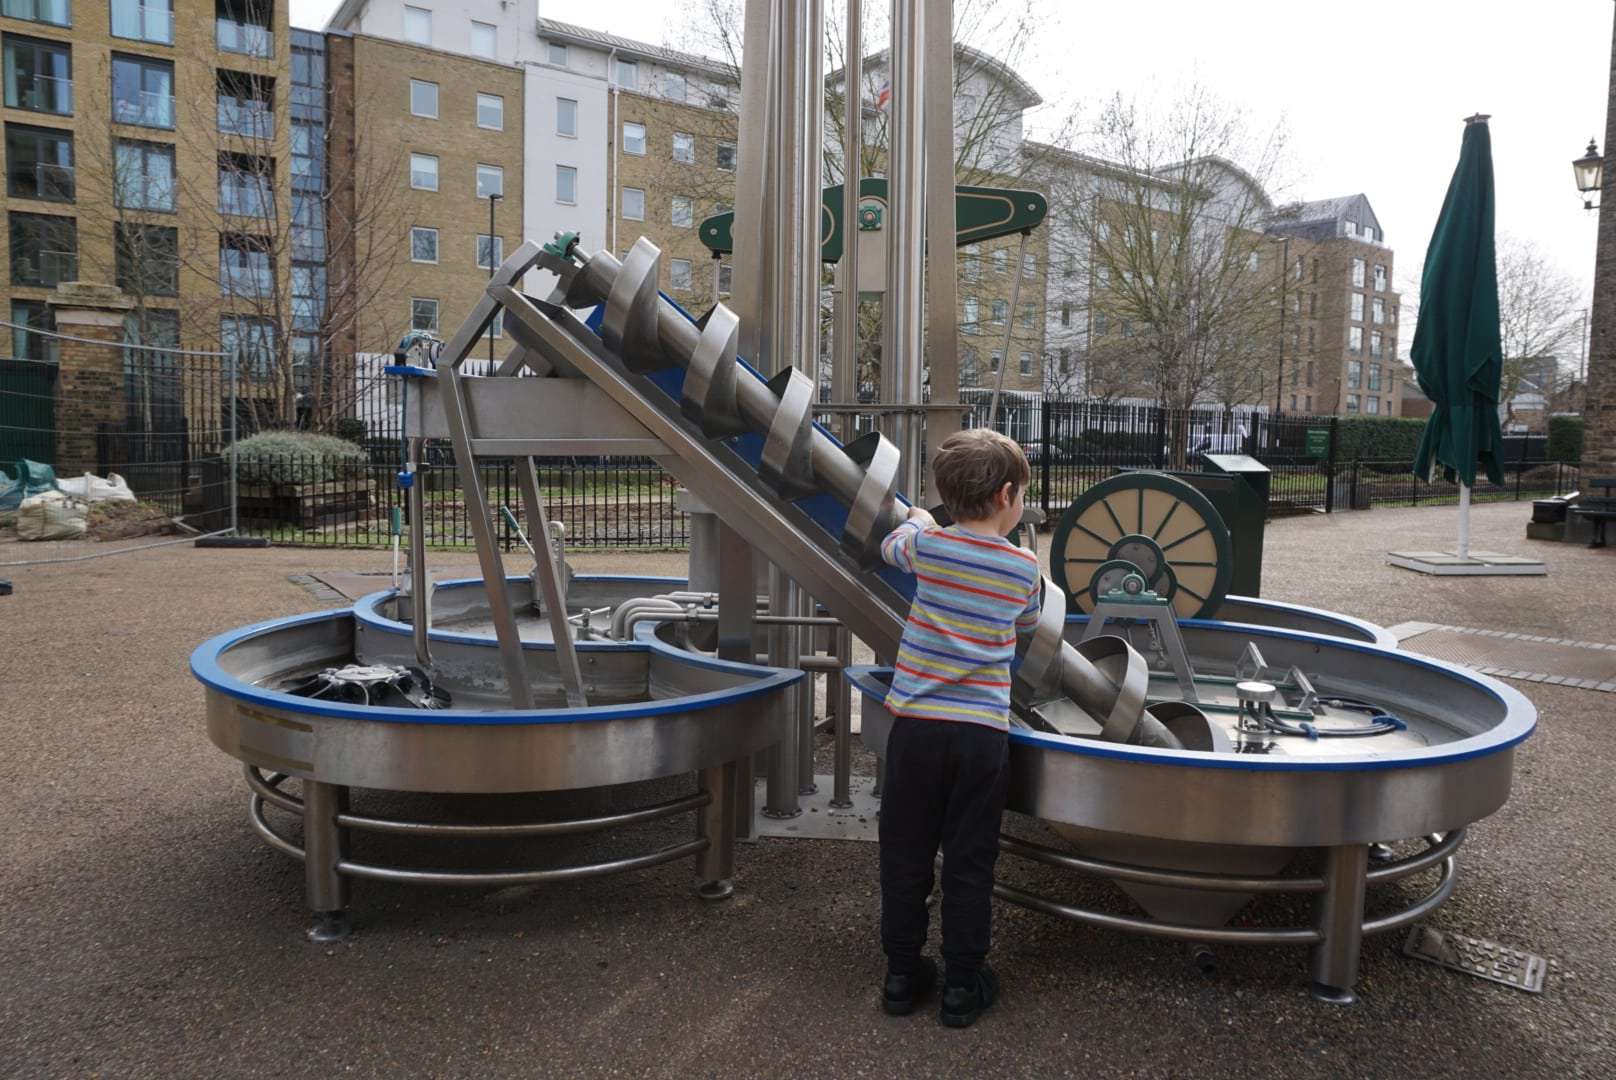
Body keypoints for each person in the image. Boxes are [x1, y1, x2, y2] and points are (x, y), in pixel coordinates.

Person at [875, 428, 1042, 1028]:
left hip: (916, 728)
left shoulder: (928, 547)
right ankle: (963, 985)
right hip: (980, 735)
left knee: (905, 853)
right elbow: (1028, 617)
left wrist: (919, 518)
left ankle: (900, 975)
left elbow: (895, 544)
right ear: (1005, 497)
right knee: (970, 859)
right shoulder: (1023, 567)